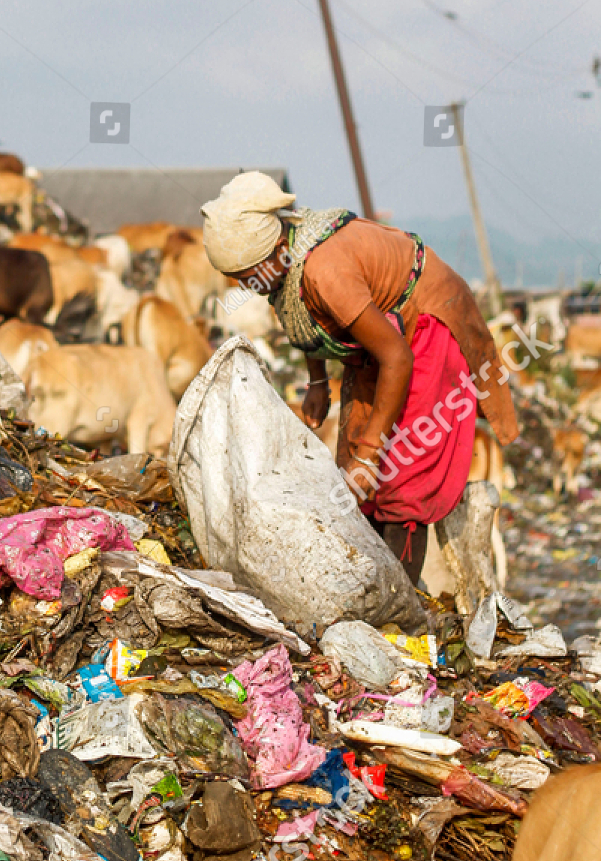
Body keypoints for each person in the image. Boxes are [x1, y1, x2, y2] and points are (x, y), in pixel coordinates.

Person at [201, 172, 518, 585]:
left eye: (248, 275)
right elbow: (301, 316)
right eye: (240, 279)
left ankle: (397, 608)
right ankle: (371, 590)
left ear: (277, 247)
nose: (247, 286)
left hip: (424, 325)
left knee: (401, 473)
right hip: (383, 340)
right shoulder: (286, 265)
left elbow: (398, 358)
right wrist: (317, 384)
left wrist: (372, 453)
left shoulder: (325, 270)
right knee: (356, 479)